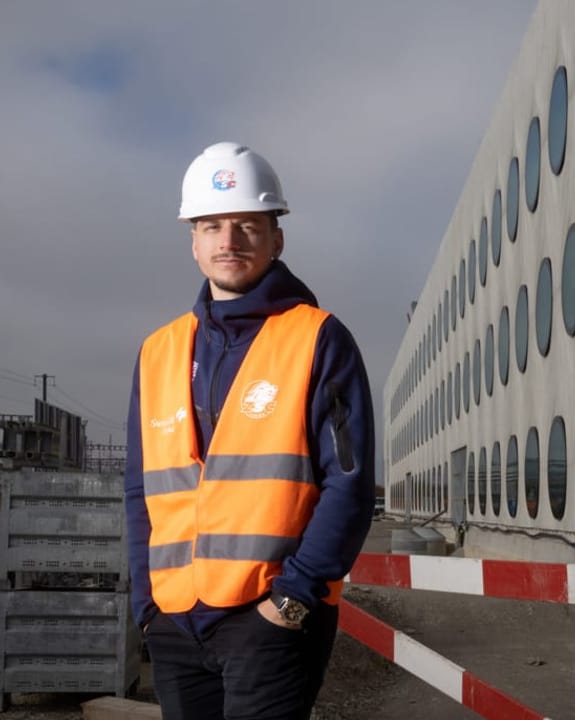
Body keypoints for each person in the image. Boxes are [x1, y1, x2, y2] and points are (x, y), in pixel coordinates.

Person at [123, 141, 376, 720]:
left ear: (276, 237)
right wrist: (148, 604)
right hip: (175, 623)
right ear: (193, 241)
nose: (228, 240)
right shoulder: (158, 351)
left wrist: (291, 601)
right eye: (211, 226)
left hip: (270, 618)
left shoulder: (317, 339)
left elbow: (350, 485)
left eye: (246, 225)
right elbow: (141, 490)